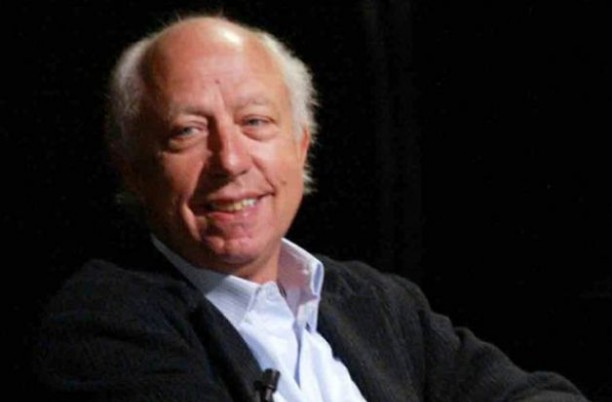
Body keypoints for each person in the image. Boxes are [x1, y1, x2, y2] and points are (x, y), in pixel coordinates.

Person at [32, 13, 589, 402]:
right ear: (133, 168)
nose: (230, 160)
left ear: (301, 145)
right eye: (187, 131)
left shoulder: (376, 302)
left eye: (255, 122)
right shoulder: (101, 325)